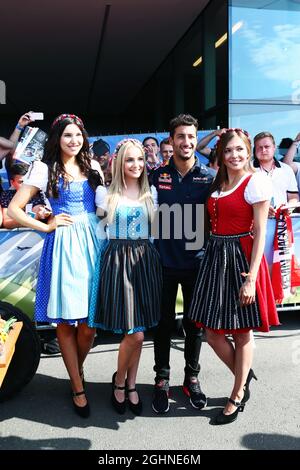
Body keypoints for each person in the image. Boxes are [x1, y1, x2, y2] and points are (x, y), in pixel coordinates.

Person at [8, 114, 105, 418]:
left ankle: (76, 369)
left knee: (89, 326)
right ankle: (77, 385)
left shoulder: (93, 166)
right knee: (65, 322)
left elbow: (103, 205)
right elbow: (14, 208)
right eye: (67, 136)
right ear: (57, 140)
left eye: (78, 135)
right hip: (63, 244)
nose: (74, 140)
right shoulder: (43, 168)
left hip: (94, 242)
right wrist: (46, 227)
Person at [188, 128, 280, 425]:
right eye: (228, 150)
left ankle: (237, 393)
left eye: (240, 149)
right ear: (221, 154)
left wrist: (252, 277)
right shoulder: (219, 181)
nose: (234, 155)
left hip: (241, 257)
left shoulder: (256, 181)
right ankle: (244, 374)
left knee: (242, 332)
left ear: (249, 151)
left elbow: (262, 232)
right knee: (213, 333)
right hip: (216, 257)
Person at [88, 138, 162, 416]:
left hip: (144, 260)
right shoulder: (104, 194)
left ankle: (130, 384)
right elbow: (98, 231)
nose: (136, 165)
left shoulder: (151, 193)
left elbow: (156, 231)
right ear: (119, 162)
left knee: (139, 331)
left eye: (140, 159)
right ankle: (119, 381)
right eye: (130, 159)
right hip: (118, 261)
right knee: (136, 332)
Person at [150, 113, 215, 414]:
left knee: (194, 325)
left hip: (197, 263)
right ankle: (161, 379)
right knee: (163, 325)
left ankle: (192, 377)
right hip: (163, 263)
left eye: (191, 136)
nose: (186, 142)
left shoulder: (209, 177)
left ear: (195, 138)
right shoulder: (157, 176)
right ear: (172, 140)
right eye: (181, 136)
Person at [253, 131, 298, 217]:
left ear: (274, 148)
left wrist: (289, 208)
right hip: (254, 222)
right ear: (255, 149)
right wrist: (261, 208)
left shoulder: (287, 169)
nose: (263, 150)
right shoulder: (247, 169)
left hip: (282, 223)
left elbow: (293, 196)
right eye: (259, 147)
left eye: (267, 147)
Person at [0, 163, 49, 229]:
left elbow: (37, 213)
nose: (25, 185)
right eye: (21, 182)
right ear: (12, 183)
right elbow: (6, 223)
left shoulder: (39, 194)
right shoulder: (6, 195)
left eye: (27, 182)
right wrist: (27, 220)